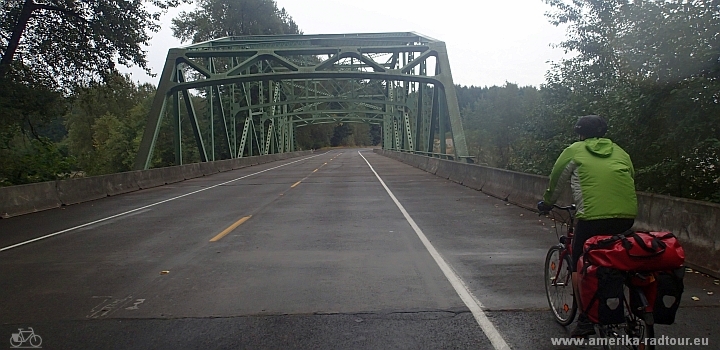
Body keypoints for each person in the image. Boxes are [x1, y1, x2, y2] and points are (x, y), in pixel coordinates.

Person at [537, 115, 638, 337]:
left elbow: (556, 181)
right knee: (623, 258)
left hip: (591, 218)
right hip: (626, 216)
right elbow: (630, 177)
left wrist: (547, 203)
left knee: (579, 265)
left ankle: (585, 320)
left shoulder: (574, 150)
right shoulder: (620, 151)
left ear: (580, 133)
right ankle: (634, 313)